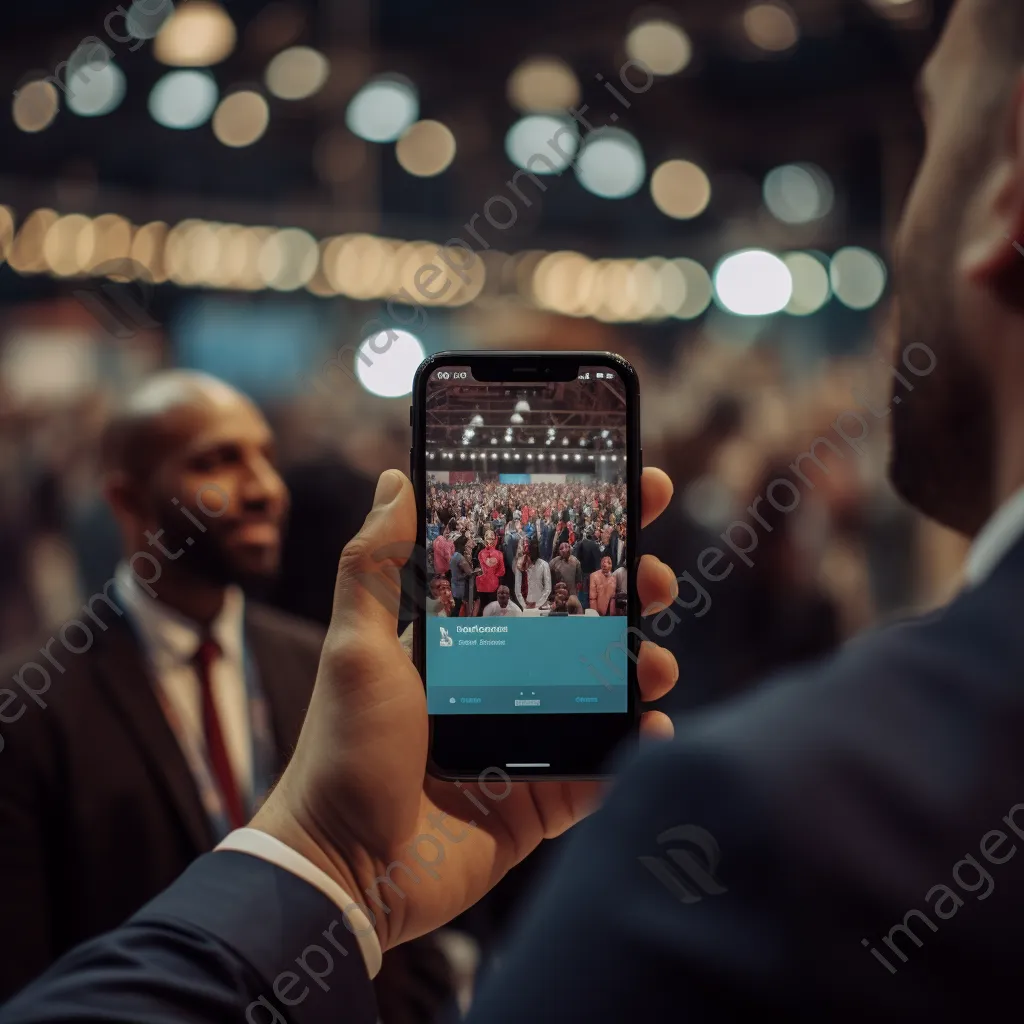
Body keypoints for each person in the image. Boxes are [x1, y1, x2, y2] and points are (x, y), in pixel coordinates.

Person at [10, 3, 1024, 1016]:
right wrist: (340, 865)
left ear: (1007, 186)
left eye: (930, 134)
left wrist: (326, 865)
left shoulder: (763, 812)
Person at [0, 374, 452, 1020]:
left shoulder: (330, 667)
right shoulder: (32, 708)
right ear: (127, 500)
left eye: (266, 456)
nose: (265, 488)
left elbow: (403, 923)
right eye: (216, 462)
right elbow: (21, 973)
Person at [513, 536, 551, 610]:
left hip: (541, 605)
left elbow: (547, 588)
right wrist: (524, 605)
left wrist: (537, 604)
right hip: (526, 605)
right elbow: (517, 589)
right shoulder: (520, 565)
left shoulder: (544, 565)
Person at [474, 528, 505, 616]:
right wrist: (494, 574)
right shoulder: (499, 554)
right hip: (493, 584)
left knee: (482, 606)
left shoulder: (480, 553)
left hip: (481, 584)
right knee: (493, 608)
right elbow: (502, 572)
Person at [575, 526, 603, 610]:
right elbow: (598, 560)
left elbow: (577, 558)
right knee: (591, 593)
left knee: (583, 593)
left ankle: (582, 608)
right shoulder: (595, 545)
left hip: (582, 573)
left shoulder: (580, 544)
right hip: (592, 573)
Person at [450, 534, 476, 618]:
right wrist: (477, 571)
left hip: (454, 584)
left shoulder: (454, 555)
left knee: (456, 607)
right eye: (467, 545)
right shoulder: (460, 558)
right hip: (460, 587)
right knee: (458, 608)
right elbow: (469, 572)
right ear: (463, 545)